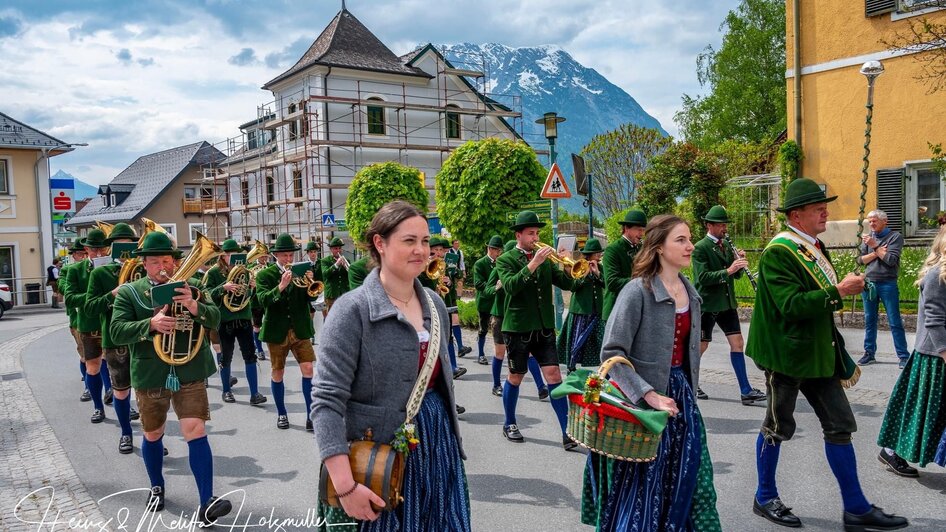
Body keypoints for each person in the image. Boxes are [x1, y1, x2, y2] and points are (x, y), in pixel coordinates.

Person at [746, 178, 908, 530]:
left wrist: (837, 288)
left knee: (840, 426)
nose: (825, 212)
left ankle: (856, 508)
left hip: (818, 351)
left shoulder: (813, 245)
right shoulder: (779, 251)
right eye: (818, 208)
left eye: (824, 206)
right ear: (796, 214)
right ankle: (764, 495)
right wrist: (837, 292)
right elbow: (790, 306)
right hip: (785, 353)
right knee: (776, 427)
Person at [313, 200, 470, 530]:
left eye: (425, 241)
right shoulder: (351, 311)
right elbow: (327, 404)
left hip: (437, 444)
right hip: (377, 458)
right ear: (379, 243)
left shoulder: (435, 304)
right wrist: (344, 485)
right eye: (409, 241)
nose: (421, 250)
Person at [581, 214, 721, 531]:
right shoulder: (637, 291)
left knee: (692, 476)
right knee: (644, 486)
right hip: (643, 405)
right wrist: (648, 394)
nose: (690, 247)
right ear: (659, 247)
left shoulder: (691, 293)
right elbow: (612, 353)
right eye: (681, 240)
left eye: (689, 239)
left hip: (682, 397)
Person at [109, 231, 232, 526]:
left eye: (167, 260)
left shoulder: (195, 285)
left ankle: (207, 501)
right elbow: (116, 332)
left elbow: (215, 319)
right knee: (153, 434)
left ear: (175, 262)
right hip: (151, 372)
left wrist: (194, 306)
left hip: (189, 370)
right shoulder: (130, 292)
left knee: (196, 430)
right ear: (144, 265)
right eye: (155, 262)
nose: (162, 267)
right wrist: (149, 324)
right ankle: (156, 486)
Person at [495, 211, 575, 449]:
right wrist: (534, 263)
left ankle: (566, 431)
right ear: (518, 235)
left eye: (537, 233)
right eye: (531, 233)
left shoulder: (546, 260)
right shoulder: (506, 259)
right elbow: (510, 287)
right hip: (518, 328)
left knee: (554, 376)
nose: (535, 237)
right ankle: (509, 422)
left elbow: (568, 284)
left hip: (544, 328)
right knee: (516, 377)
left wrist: (570, 265)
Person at [875, 223, 946, 477]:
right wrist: (944, 352)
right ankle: (893, 451)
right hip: (935, 356)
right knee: (923, 411)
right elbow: (934, 319)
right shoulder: (936, 275)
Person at [691, 205, 766, 404]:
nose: (725, 228)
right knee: (701, 346)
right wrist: (730, 269)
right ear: (709, 225)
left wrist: (738, 263)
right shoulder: (700, 248)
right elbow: (703, 278)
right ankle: (690, 382)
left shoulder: (725, 245)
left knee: (738, 343)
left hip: (726, 303)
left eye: (725, 224)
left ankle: (745, 390)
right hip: (707, 304)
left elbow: (735, 274)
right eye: (720, 224)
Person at [84, 222, 140, 454]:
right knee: (121, 390)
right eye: (120, 245)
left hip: (142, 335)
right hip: (115, 338)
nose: (125, 249)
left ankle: (152, 437)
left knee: (149, 391)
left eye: (130, 245)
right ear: (111, 248)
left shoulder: (143, 269)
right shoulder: (100, 272)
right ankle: (126, 433)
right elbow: (89, 307)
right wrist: (112, 294)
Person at [256, 233, 318, 430]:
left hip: (300, 329)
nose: (289, 259)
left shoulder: (301, 271)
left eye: (291, 255)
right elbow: (262, 301)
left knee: (308, 369)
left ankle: (310, 415)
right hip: (277, 330)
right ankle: (282, 413)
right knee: (278, 373)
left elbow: (311, 299)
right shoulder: (265, 275)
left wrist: (310, 284)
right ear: (276, 256)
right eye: (285, 256)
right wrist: (281, 286)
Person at [203, 239, 267, 406]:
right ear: (223, 256)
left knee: (250, 356)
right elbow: (206, 295)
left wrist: (252, 288)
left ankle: (255, 394)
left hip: (244, 318)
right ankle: (226, 391)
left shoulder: (245, 271)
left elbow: (249, 298)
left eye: (235, 254)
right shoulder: (214, 273)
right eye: (229, 254)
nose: (232, 257)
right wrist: (224, 288)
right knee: (226, 357)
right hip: (224, 320)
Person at [484, 240, 548, 398]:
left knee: (531, 353)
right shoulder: (501, 265)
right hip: (501, 314)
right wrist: (498, 287)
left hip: (519, 316)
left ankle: (541, 387)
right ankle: (496, 384)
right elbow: (487, 290)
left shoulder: (527, 267)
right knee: (500, 352)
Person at [63, 228, 114, 423]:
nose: (99, 254)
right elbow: (69, 299)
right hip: (89, 323)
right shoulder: (76, 270)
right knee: (93, 367)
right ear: (86, 249)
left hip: (111, 323)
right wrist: (94, 297)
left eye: (103, 250)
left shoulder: (115, 267)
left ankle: (121, 404)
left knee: (117, 368)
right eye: (94, 250)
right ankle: (98, 407)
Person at [856, 209, 910, 368]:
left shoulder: (895, 237)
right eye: (869, 221)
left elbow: (891, 260)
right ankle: (869, 353)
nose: (871, 224)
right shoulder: (868, 238)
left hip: (888, 283)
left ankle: (903, 356)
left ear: (884, 221)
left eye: (874, 221)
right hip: (869, 284)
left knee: (894, 321)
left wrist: (874, 246)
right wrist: (876, 250)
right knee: (869, 320)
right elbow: (860, 260)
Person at [556, 238, 604, 372]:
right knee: (578, 338)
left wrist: (597, 273)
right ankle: (571, 364)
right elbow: (573, 287)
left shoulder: (599, 267)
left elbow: (606, 284)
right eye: (597, 253)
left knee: (600, 338)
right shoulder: (579, 265)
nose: (599, 255)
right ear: (591, 254)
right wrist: (585, 275)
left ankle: (601, 364)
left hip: (597, 309)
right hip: (581, 310)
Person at [602, 209, 646, 322]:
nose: (642, 234)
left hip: (635, 310)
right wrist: (642, 280)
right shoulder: (613, 250)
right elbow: (612, 283)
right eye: (638, 229)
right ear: (626, 228)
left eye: (643, 230)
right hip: (616, 311)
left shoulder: (640, 248)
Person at [59, 242, 90, 401]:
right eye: (79, 254)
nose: (83, 257)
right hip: (78, 320)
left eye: (85, 253)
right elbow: (64, 289)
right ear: (74, 256)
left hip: (97, 319)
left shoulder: (95, 267)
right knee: (85, 354)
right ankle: (88, 386)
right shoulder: (67, 270)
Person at [440, 236, 472, 361]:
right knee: (449, 328)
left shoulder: (450, 261)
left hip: (450, 295)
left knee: (455, 321)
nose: (445, 253)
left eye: (446, 250)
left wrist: (455, 270)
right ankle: (455, 353)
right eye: (444, 251)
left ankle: (459, 347)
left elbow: (458, 274)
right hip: (441, 298)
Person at [473, 236, 503, 366]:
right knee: (483, 329)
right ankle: (481, 354)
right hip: (485, 302)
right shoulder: (480, 263)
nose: (499, 253)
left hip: (497, 303)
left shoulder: (501, 262)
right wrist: (492, 287)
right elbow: (478, 284)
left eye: (500, 250)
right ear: (490, 249)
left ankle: (501, 353)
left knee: (500, 329)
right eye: (497, 250)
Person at [320, 237, 350, 316]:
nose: (338, 250)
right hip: (332, 295)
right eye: (335, 248)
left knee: (345, 316)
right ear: (331, 249)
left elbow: (350, 276)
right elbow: (325, 274)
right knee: (332, 317)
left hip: (344, 293)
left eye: (340, 248)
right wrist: (336, 265)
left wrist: (346, 268)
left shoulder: (346, 260)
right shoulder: (325, 261)